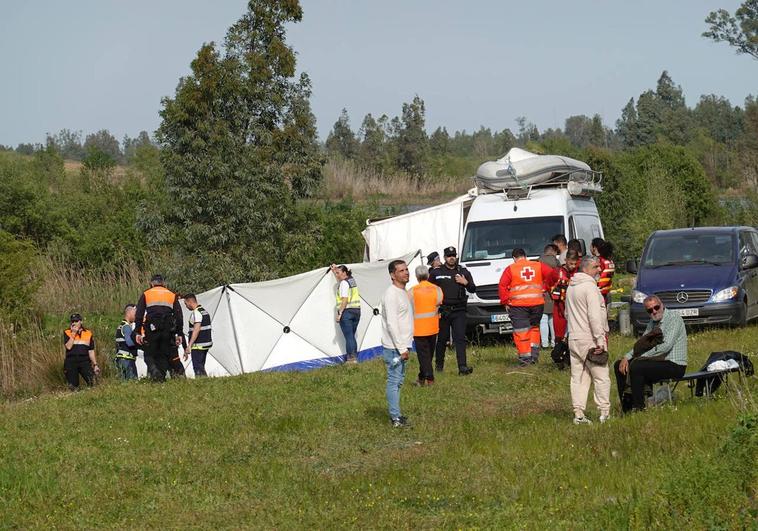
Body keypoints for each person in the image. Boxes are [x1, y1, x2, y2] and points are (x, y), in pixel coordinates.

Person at [614, 296, 688, 413]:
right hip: (658, 362)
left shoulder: (674, 318)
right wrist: (626, 357)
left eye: (656, 307)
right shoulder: (652, 323)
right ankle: (626, 407)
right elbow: (642, 345)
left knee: (637, 366)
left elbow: (666, 346)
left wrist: (641, 357)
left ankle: (639, 408)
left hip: (674, 364)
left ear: (662, 305)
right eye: (650, 310)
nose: (654, 311)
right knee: (619, 365)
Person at [565, 256, 611, 424]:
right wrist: (600, 340)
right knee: (601, 376)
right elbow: (594, 316)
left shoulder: (572, 287)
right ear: (585, 269)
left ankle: (578, 414)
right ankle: (604, 413)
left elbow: (566, 314)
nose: (599, 269)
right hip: (590, 338)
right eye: (595, 267)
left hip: (574, 337)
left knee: (578, 378)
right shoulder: (590, 287)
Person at [499, 248, 559, 366]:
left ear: (514, 258)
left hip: (518, 306)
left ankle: (525, 359)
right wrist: (546, 287)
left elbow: (502, 286)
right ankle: (534, 356)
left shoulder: (511, 268)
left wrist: (505, 302)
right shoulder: (538, 265)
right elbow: (554, 275)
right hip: (537, 304)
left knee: (522, 332)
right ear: (525, 256)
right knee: (534, 329)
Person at [429, 246, 476, 375]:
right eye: (449, 256)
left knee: (460, 339)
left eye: (453, 255)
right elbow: (428, 289)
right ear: (444, 258)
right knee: (442, 339)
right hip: (443, 311)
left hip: (459, 310)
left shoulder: (463, 271)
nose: (451, 258)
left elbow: (473, 288)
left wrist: (465, 282)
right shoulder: (436, 273)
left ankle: (462, 367)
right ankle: (439, 366)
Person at [380, 259, 414, 428]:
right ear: (393, 275)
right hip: (394, 347)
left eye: (406, 269)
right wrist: (401, 348)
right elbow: (392, 324)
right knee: (394, 381)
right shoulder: (391, 294)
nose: (406, 272)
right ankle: (395, 418)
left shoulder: (403, 291)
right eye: (401, 271)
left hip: (402, 345)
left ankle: (398, 414)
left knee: (399, 381)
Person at [134, 274, 184, 382]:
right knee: (164, 354)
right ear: (163, 283)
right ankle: (160, 378)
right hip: (167, 330)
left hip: (152, 330)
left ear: (151, 283)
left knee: (149, 353)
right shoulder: (171, 295)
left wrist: (137, 331)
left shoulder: (146, 294)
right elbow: (179, 316)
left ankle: (154, 371)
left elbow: (139, 314)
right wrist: (179, 333)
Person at [411, 265, 443, 386]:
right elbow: (440, 302)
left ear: (416, 276)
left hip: (418, 328)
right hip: (433, 326)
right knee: (428, 355)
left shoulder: (412, 291)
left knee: (423, 356)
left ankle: (430, 378)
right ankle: (421, 378)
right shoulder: (437, 289)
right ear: (428, 275)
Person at [551, 250, 580, 368]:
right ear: (566, 260)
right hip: (560, 308)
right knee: (560, 332)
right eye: (571, 263)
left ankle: (571, 359)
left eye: (575, 264)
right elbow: (549, 284)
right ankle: (559, 359)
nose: (573, 266)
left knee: (573, 333)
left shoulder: (578, 273)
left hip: (575, 308)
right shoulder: (557, 272)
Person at [331, 264, 361, 364]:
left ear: (344, 273)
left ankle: (351, 359)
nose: (337, 275)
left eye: (338, 273)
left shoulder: (343, 283)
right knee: (352, 336)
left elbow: (345, 300)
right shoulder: (351, 280)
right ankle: (355, 357)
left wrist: (339, 313)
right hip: (356, 311)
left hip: (347, 312)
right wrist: (335, 269)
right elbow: (342, 273)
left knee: (349, 337)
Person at [63, 313, 100, 390]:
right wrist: (73, 333)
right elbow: (68, 346)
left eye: (76, 321)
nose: (74, 323)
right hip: (71, 361)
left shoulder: (88, 333)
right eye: (72, 321)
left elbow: (91, 351)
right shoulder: (67, 332)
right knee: (73, 387)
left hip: (84, 361)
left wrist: (95, 364)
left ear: (81, 322)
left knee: (93, 382)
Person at [183, 294, 213, 377]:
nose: (186, 306)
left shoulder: (196, 313)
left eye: (185, 304)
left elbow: (196, 329)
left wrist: (189, 345)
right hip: (205, 344)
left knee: (198, 368)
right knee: (201, 366)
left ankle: (201, 384)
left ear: (189, 302)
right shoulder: (204, 311)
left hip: (198, 345)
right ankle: (205, 383)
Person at [539, 244, 560, 349]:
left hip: (541, 292)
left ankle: (544, 343)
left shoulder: (538, 261)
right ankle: (554, 342)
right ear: (553, 251)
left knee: (543, 319)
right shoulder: (556, 262)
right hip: (554, 293)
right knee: (553, 319)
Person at [114, 304, 138, 380]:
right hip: (127, 359)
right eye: (135, 313)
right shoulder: (127, 327)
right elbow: (130, 343)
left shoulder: (120, 326)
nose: (136, 316)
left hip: (120, 358)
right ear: (129, 312)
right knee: (132, 383)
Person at [591, 237, 616, 306]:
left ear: (594, 248)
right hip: (606, 292)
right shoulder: (609, 261)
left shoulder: (598, 260)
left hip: (597, 292)